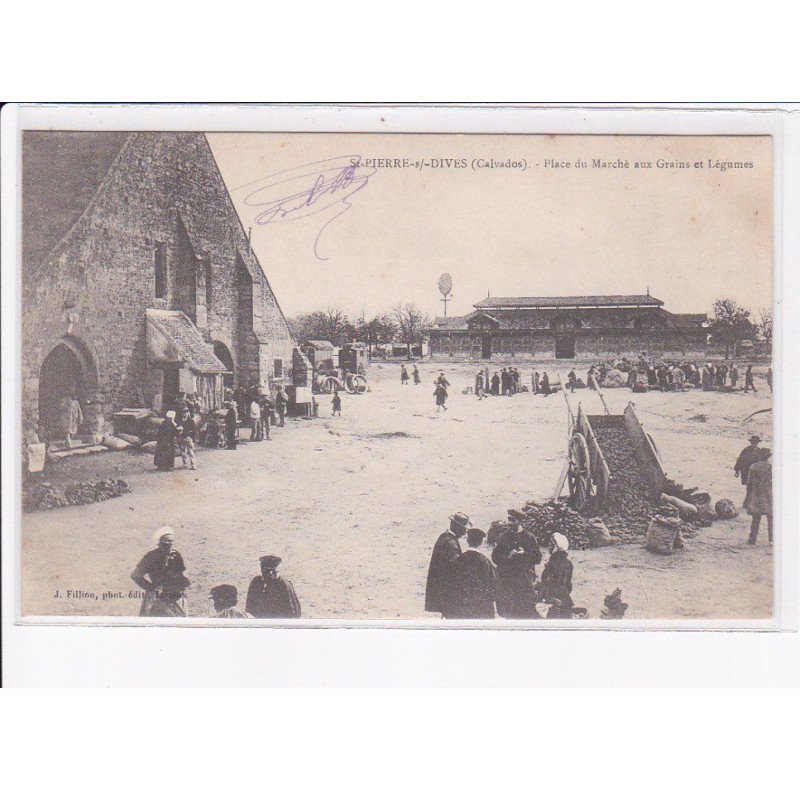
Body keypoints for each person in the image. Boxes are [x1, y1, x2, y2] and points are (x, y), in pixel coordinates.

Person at [131, 527, 189, 616]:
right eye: (167, 541)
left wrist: (182, 586)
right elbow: (135, 575)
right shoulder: (151, 556)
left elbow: (182, 573)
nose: (170, 544)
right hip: (158, 597)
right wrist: (151, 588)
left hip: (176, 595)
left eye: (172, 541)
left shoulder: (176, 555)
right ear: (160, 542)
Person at [424, 512, 469, 618]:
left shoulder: (444, 536)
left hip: (442, 588)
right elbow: (456, 567)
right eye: (464, 528)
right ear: (458, 527)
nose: (465, 532)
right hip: (449, 591)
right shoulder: (451, 543)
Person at [492, 524, 542, 618]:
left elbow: (538, 558)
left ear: (520, 522)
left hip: (525, 581)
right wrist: (508, 556)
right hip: (508, 580)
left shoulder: (529, 537)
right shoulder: (503, 537)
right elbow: (495, 557)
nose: (510, 522)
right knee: (509, 610)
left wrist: (525, 554)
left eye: (513, 520)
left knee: (526, 608)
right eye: (509, 519)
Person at [450, 528, 498, 619]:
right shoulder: (485, 562)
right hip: (482, 609)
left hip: (463, 608)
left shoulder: (459, 560)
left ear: (468, 541)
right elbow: (494, 586)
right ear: (480, 543)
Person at [540, 533, 574, 619]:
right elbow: (568, 585)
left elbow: (547, 581)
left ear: (556, 547)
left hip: (553, 600)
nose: (548, 547)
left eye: (551, 545)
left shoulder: (553, 562)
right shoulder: (568, 563)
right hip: (564, 598)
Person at [745, 448, 772, 545]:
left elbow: (749, 484)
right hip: (769, 495)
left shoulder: (754, 467)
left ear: (760, 456)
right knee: (771, 518)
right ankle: (771, 540)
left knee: (756, 518)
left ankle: (752, 539)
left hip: (757, 496)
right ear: (768, 457)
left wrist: (749, 496)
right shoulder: (770, 467)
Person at [734, 434, 762, 499]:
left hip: (756, 472)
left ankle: (752, 501)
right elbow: (740, 460)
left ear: (758, 443)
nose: (754, 444)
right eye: (753, 442)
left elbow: (762, 461)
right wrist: (737, 471)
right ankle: (748, 501)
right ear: (751, 442)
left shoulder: (759, 451)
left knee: (755, 487)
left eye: (756, 442)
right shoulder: (746, 450)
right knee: (749, 487)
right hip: (747, 471)